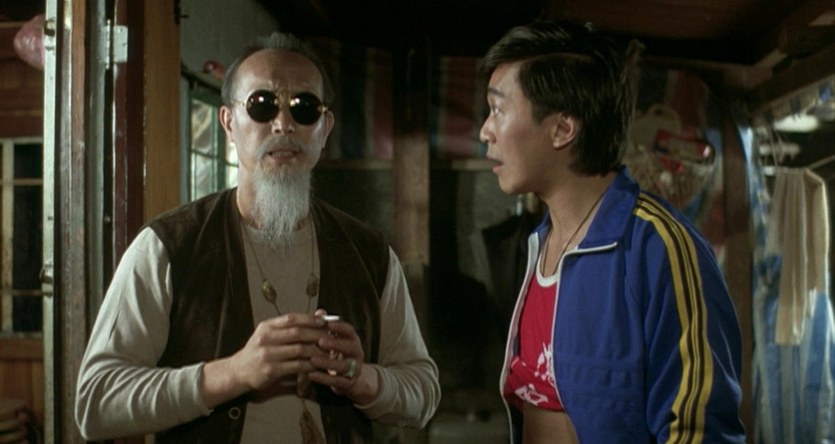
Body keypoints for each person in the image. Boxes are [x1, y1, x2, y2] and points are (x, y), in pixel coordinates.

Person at [75, 32, 440, 443]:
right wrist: (235, 373)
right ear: (229, 123)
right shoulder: (167, 247)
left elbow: (424, 395)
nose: (283, 124)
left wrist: (362, 379)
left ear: (324, 129)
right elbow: (96, 402)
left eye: (304, 109)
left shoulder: (369, 253)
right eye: (262, 105)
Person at [478, 20, 745, 443]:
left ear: (563, 129)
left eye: (498, 110)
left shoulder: (659, 249)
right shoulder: (540, 244)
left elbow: (698, 430)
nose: (485, 131)